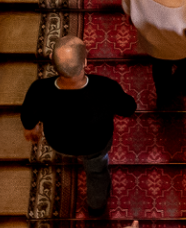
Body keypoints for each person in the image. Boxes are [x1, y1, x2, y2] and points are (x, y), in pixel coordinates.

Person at [21, 35, 137, 217]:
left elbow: (28, 115)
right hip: (95, 145)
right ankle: (96, 207)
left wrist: (30, 127)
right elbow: (128, 108)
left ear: (51, 59)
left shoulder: (39, 90)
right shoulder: (105, 88)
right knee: (97, 172)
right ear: (84, 62)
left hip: (60, 143)